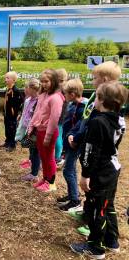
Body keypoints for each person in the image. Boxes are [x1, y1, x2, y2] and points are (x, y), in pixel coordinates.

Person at [70, 81, 128, 259]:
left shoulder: (97, 122)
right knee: (107, 205)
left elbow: (91, 152)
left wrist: (85, 175)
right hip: (112, 168)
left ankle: (96, 248)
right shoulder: (118, 118)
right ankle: (112, 241)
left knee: (97, 208)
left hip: (100, 172)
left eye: (96, 96)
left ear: (101, 100)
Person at [67, 61, 122, 237]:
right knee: (105, 202)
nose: (92, 81)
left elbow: (94, 136)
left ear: (104, 79)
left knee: (98, 200)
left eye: (94, 78)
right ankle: (111, 239)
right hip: (107, 163)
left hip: (100, 165)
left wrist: (85, 172)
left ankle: (95, 236)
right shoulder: (111, 109)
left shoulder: (102, 112)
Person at [27, 69, 63, 192]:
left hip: (50, 132)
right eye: (42, 81)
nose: (43, 84)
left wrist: (48, 136)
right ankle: (45, 178)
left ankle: (51, 183)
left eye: (46, 81)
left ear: (53, 81)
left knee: (49, 157)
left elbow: (54, 119)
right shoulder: (43, 95)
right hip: (40, 130)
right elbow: (37, 112)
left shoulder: (56, 98)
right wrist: (31, 126)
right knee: (43, 156)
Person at [56, 79, 87, 212]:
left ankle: (75, 200)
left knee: (68, 171)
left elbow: (81, 127)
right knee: (71, 170)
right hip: (68, 144)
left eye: (66, 94)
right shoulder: (73, 104)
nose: (65, 96)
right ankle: (72, 194)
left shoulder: (81, 108)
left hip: (74, 145)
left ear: (73, 94)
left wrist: (73, 139)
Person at [16, 78, 41, 182]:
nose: (25, 89)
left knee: (35, 151)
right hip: (28, 129)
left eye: (27, 87)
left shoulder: (39, 101)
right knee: (31, 149)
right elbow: (26, 112)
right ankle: (34, 166)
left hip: (35, 130)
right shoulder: (29, 100)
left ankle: (34, 174)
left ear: (32, 89)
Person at [0, 71, 23, 152]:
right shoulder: (7, 89)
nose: (5, 79)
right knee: (7, 127)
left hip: (13, 114)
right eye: (5, 78)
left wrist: (17, 112)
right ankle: (7, 141)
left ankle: (12, 144)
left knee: (12, 128)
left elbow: (21, 101)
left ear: (13, 80)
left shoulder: (16, 90)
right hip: (7, 113)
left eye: (7, 78)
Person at [55, 68, 68, 168]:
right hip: (62, 116)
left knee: (57, 137)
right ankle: (58, 156)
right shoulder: (65, 88)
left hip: (59, 116)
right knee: (59, 135)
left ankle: (58, 158)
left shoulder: (61, 90)